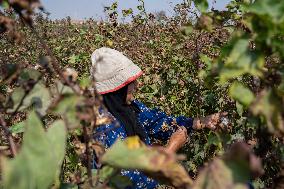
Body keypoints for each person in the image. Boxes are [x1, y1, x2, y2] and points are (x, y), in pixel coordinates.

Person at [91, 47, 226, 189]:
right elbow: (131, 181)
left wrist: (197, 122)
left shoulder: (128, 108)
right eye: (131, 82)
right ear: (117, 89)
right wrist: (170, 150)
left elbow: (157, 123)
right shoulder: (103, 127)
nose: (137, 86)